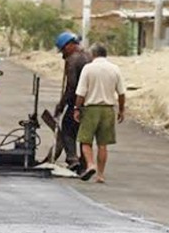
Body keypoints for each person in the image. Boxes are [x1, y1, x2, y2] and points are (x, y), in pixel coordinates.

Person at [73, 44, 126, 183]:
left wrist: (76, 108)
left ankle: (90, 164)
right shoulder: (115, 69)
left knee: (85, 141)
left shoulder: (88, 68)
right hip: (108, 109)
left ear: (93, 54)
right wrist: (121, 109)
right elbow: (121, 93)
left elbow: (81, 93)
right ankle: (100, 175)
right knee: (103, 144)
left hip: (91, 109)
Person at [54, 31, 91, 172]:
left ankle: (72, 159)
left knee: (68, 131)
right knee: (85, 134)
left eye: (63, 50)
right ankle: (85, 162)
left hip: (77, 103)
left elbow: (71, 86)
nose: (63, 54)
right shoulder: (89, 56)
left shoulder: (72, 60)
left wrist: (62, 105)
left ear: (69, 45)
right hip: (91, 102)